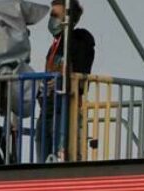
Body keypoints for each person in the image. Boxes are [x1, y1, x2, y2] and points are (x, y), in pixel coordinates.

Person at [41, 0, 95, 159]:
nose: (51, 20)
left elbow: (79, 76)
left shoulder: (79, 42)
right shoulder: (54, 46)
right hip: (48, 108)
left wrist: (61, 82)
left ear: (67, 19)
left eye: (55, 15)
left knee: (63, 154)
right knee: (42, 156)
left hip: (67, 109)